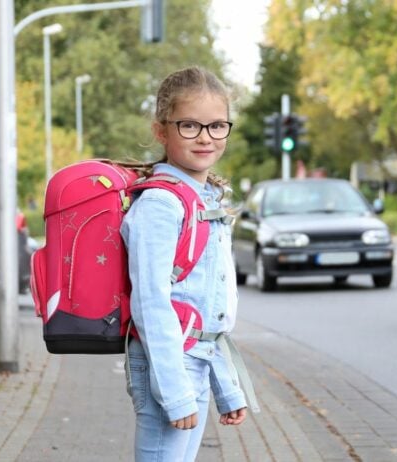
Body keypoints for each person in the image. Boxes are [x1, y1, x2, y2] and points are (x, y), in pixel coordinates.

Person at [120, 66, 257, 461]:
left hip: (194, 360)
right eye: (189, 125)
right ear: (161, 131)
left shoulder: (204, 200)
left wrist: (226, 387)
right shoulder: (161, 205)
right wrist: (175, 392)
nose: (205, 137)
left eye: (217, 126)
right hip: (170, 364)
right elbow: (151, 304)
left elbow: (206, 310)